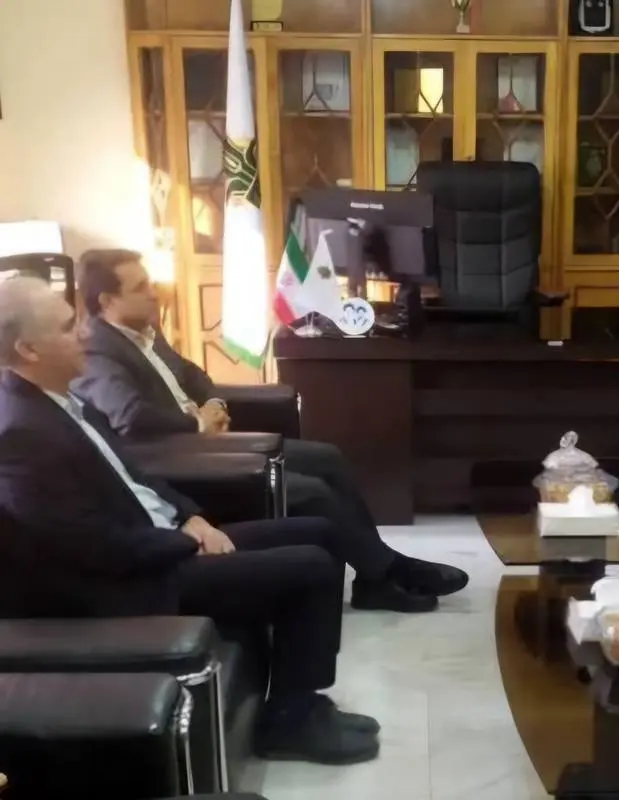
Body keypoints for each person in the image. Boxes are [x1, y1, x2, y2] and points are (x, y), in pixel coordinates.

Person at [0, 276, 378, 765]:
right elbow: (84, 545)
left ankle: (303, 698)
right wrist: (182, 543)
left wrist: (191, 516)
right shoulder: (20, 432)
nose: (86, 333)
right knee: (309, 567)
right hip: (125, 580)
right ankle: (289, 722)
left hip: (157, 540)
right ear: (28, 349)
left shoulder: (65, 398)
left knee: (320, 531)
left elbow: (135, 475)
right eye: (68, 326)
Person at [70, 248, 468, 614]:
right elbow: (130, 416)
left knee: (326, 457)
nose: (154, 292)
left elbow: (195, 376)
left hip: (207, 442)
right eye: (140, 287)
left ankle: (375, 575)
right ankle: (386, 571)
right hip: (177, 459)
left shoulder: (144, 333)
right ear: (107, 301)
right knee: (313, 491)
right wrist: (198, 422)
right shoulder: (98, 350)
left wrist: (214, 405)